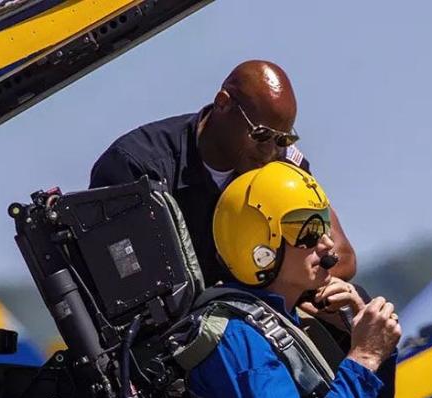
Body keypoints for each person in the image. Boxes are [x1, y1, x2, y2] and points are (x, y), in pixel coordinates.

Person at [89, 60, 357, 287]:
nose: (270, 151)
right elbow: (133, 287)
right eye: (261, 135)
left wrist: (300, 290)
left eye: (283, 140)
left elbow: (342, 256)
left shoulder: (284, 164)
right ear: (222, 103)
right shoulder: (136, 169)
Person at [171, 161, 399, 398]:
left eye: (323, 226)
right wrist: (364, 358)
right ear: (257, 244)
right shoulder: (239, 336)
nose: (326, 243)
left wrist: (377, 350)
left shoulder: (293, 322)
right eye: (307, 230)